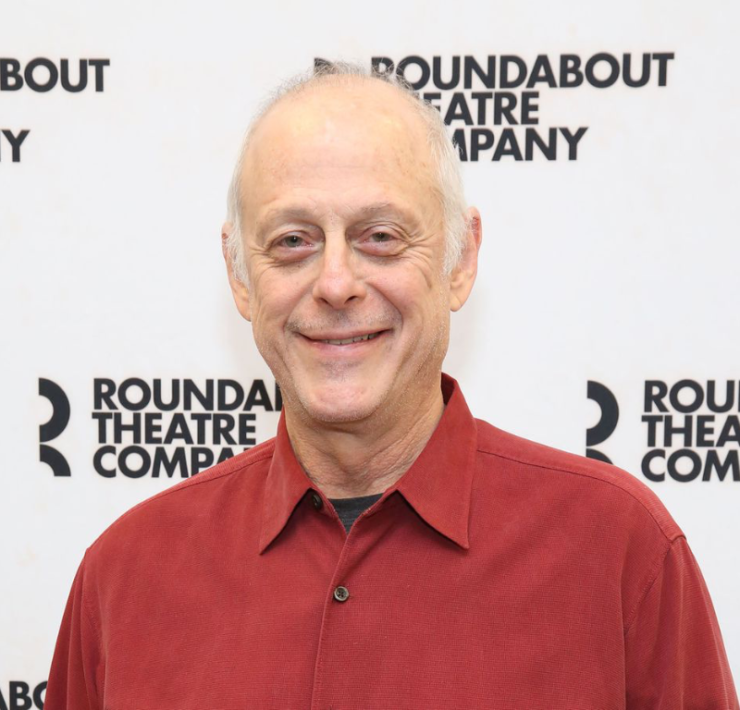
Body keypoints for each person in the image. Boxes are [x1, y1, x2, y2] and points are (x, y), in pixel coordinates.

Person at [46, 62, 738, 709]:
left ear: (460, 260)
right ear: (240, 276)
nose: (336, 283)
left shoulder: (619, 552)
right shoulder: (124, 576)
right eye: (292, 241)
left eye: (379, 236)